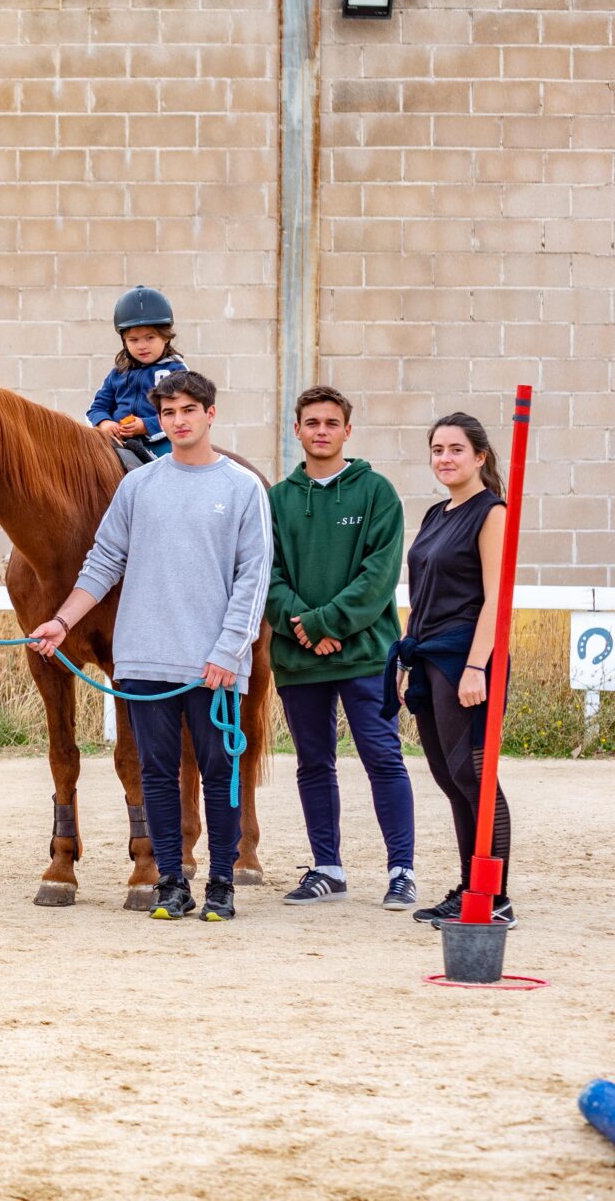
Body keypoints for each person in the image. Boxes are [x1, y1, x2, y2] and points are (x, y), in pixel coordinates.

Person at [28, 371, 270, 922]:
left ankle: (221, 883)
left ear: (210, 414)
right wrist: (62, 622)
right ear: (160, 419)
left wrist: (229, 651)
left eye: (189, 410)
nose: (179, 420)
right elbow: (104, 561)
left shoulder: (241, 488)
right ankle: (170, 883)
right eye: (169, 412)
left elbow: (253, 576)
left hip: (212, 666)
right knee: (156, 774)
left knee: (219, 773)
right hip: (143, 660)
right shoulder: (137, 487)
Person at [265, 386, 416, 911]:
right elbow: (268, 574)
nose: (322, 430)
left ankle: (401, 871)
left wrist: (326, 622)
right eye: (312, 422)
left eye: (332, 422)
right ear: (298, 430)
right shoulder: (279, 499)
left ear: (347, 430)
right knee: (313, 762)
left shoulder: (376, 492)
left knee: (383, 758)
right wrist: (303, 627)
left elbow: (380, 575)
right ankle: (327, 868)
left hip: (366, 654)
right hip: (299, 657)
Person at [382, 413, 514, 929]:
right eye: (437, 449)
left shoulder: (492, 512)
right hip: (430, 658)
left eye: (456, 449)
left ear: (480, 456)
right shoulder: (437, 513)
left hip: (467, 658)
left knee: (475, 776)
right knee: (449, 776)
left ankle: (495, 895)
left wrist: (478, 666)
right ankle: (469, 887)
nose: (445, 458)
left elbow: (496, 600)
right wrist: (407, 656)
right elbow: (421, 593)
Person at [86, 285, 188, 464]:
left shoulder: (176, 371)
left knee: (177, 466)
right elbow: (96, 408)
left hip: (161, 441)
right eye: (133, 340)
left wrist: (146, 425)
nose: (142, 346)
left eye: (150, 338)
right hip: (119, 442)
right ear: (124, 341)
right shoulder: (117, 374)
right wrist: (105, 423)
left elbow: (183, 411)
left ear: (165, 337)